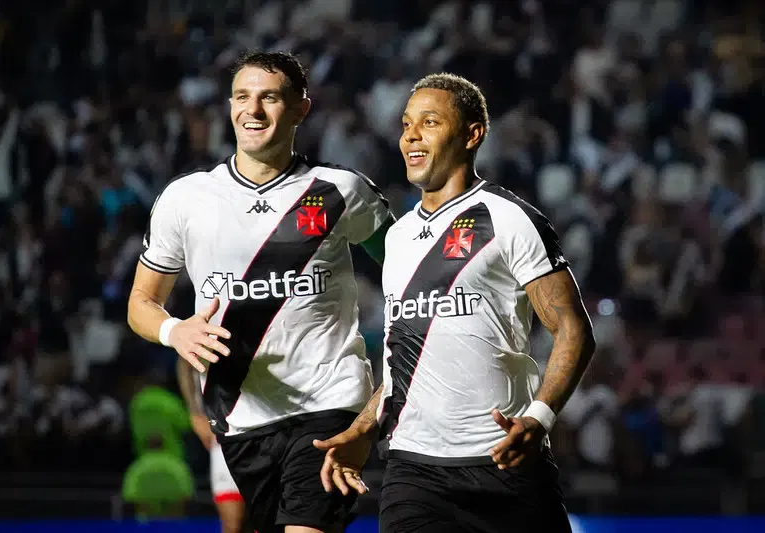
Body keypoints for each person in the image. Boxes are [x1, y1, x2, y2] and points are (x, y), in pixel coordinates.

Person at [313, 73, 596, 533]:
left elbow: (574, 329)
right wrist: (363, 427)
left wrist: (539, 419)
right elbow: (404, 358)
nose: (411, 135)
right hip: (413, 473)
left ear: (472, 134)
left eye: (430, 122)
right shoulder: (398, 237)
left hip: (505, 463)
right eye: (406, 124)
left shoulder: (510, 219)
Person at [127, 51, 394, 533]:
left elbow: (410, 272)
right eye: (242, 97)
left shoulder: (341, 190)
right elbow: (141, 303)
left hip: (329, 400)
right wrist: (174, 331)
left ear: (300, 109)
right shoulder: (185, 199)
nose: (252, 109)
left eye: (269, 97)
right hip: (240, 415)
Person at [177, 358, 248, 533]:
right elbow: (185, 361)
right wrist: (195, 412)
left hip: (267, 427)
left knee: (264, 519)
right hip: (225, 429)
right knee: (233, 524)